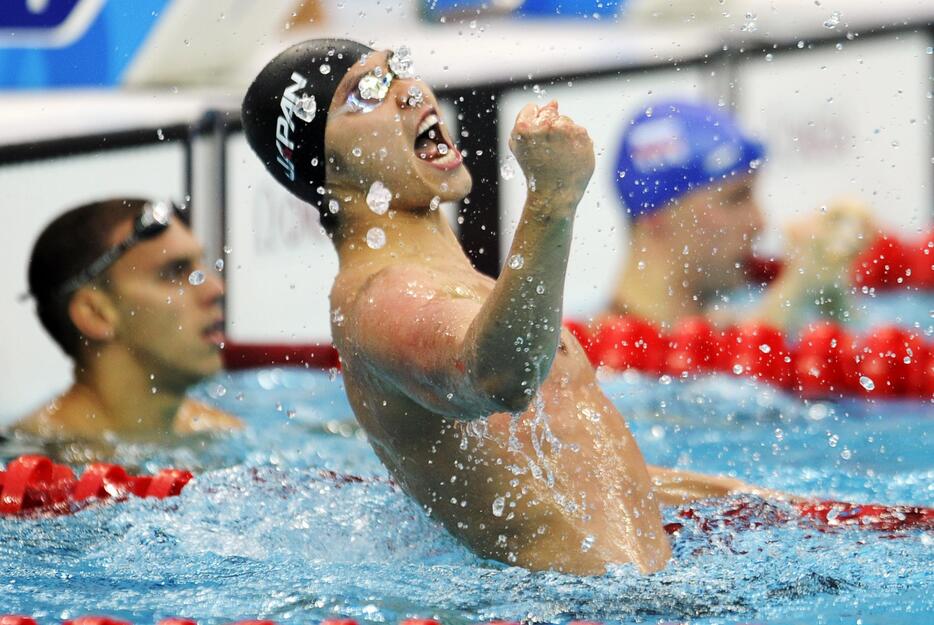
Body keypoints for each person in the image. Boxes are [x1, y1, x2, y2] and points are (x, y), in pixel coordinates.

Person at [242, 39, 782, 576]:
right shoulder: (379, 296)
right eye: (366, 94)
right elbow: (500, 375)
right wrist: (551, 198)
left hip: (630, 599)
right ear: (324, 165)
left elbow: (568, 467)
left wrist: (748, 500)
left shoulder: (450, 283)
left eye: (397, 70)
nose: (407, 93)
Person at [608, 100, 874, 329]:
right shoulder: (596, 362)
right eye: (735, 198)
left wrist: (831, 296)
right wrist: (795, 291)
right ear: (655, 214)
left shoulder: (724, 322)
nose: (759, 223)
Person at [12, 198, 240, 443]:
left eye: (200, 267)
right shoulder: (33, 455)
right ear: (95, 313)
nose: (216, 289)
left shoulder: (218, 430)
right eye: (174, 272)